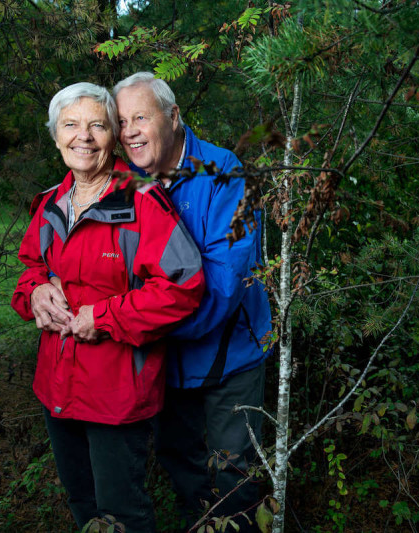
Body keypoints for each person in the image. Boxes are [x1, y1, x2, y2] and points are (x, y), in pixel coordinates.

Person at [11, 82, 205, 533]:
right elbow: (28, 273)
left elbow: (183, 287)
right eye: (71, 125)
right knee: (82, 504)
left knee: (123, 513)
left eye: (97, 125)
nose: (84, 136)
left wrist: (104, 316)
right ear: (56, 136)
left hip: (116, 392)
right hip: (55, 388)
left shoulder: (140, 200)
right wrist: (36, 292)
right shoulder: (50, 204)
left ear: (113, 137)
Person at [113, 72, 273, 531]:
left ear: (174, 115)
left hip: (231, 353)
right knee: (178, 460)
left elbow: (224, 287)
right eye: (122, 121)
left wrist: (138, 322)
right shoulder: (125, 184)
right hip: (165, 359)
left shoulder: (225, 174)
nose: (129, 132)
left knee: (233, 472)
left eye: (140, 117)